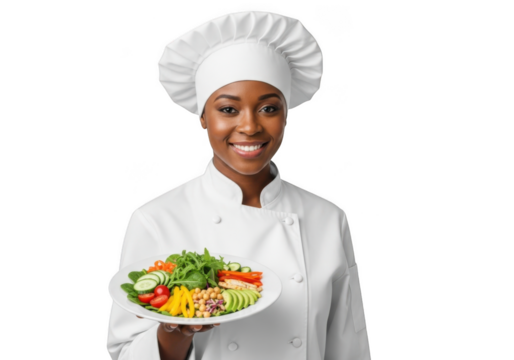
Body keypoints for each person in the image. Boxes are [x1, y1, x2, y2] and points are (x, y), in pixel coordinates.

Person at [107, 10, 371, 360]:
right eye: (228, 109)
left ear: (286, 115)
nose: (249, 127)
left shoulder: (327, 218)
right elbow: (124, 352)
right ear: (203, 117)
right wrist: (173, 335)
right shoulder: (157, 218)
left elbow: (348, 348)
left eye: (268, 108)